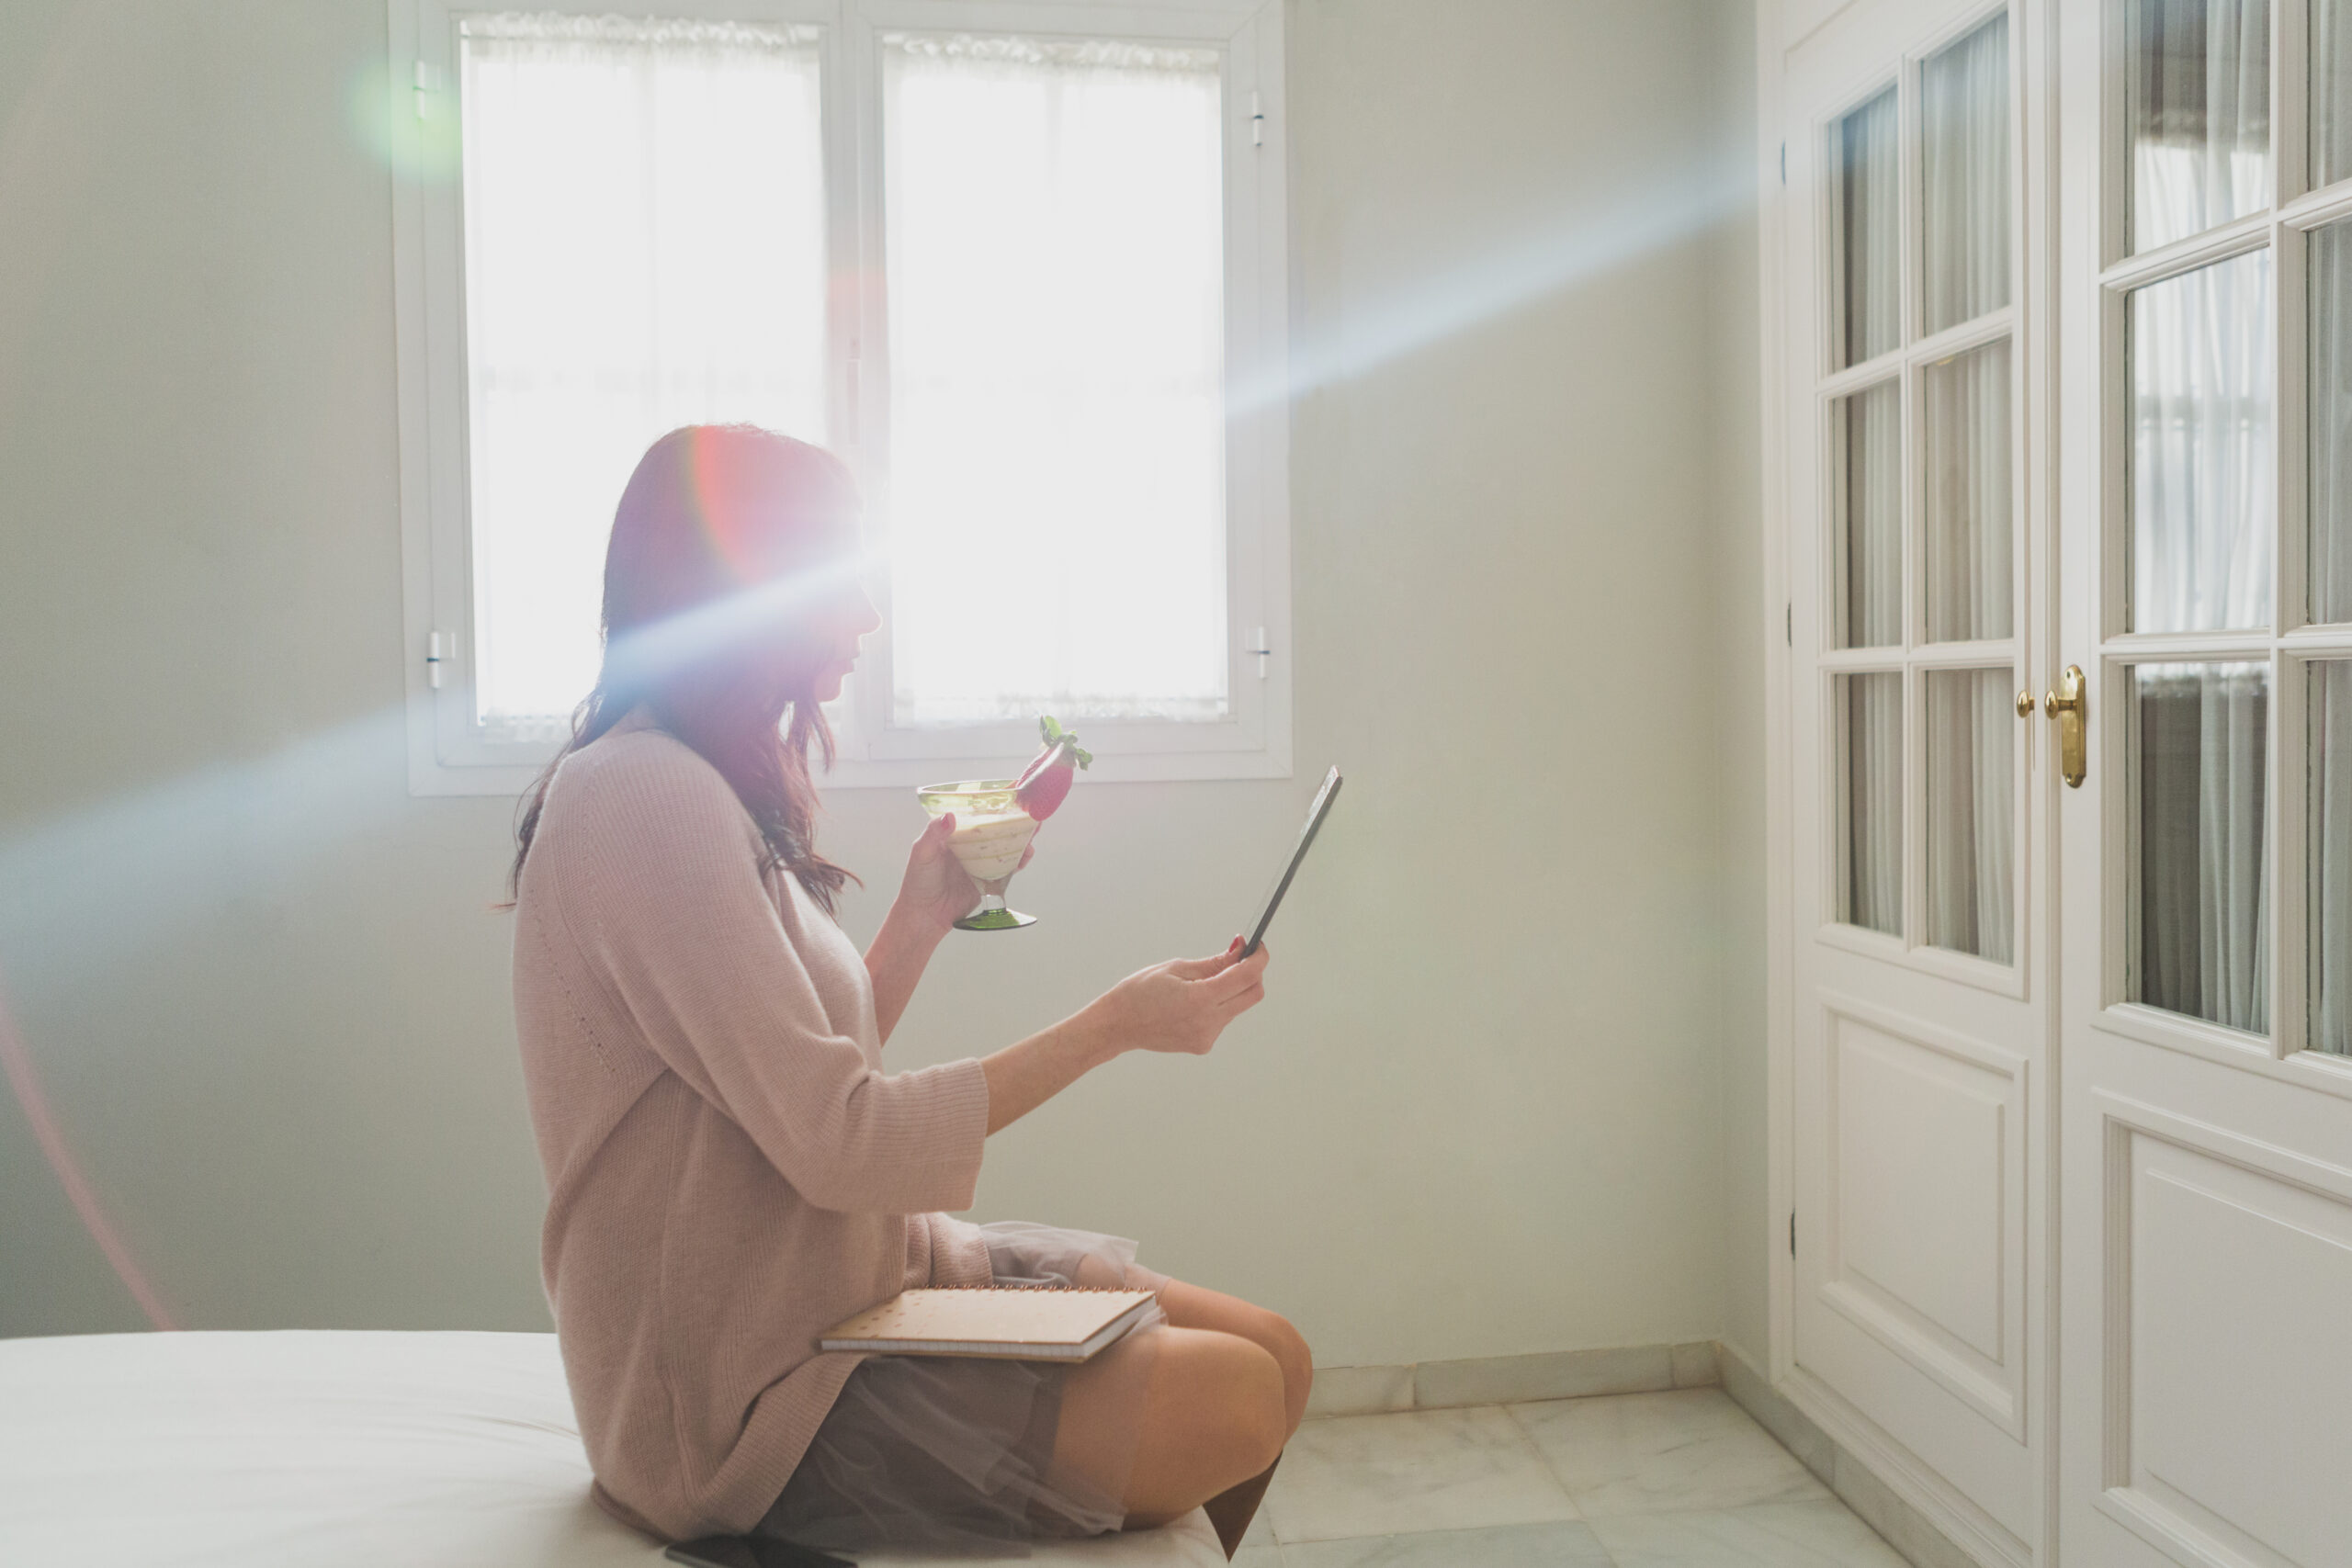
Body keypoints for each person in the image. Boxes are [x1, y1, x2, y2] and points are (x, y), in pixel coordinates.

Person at [507, 424, 1306, 1561]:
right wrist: (1116, 1026)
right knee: (1235, 1397)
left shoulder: (702, 786)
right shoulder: (641, 801)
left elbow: (798, 1075)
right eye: (841, 582)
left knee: (1279, 1352)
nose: (868, 619)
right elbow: (840, 1142)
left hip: (865, 1279)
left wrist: (923, 914)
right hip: (753, 1398)